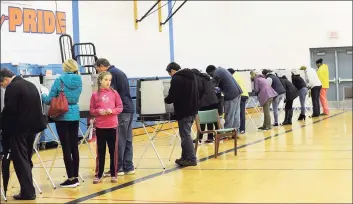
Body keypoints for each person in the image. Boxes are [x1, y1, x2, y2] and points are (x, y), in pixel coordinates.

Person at [0, 68, 46, 200]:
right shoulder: (31, 84)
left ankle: (28, 192)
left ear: (6, 79)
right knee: (26, 159)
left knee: (21, 161)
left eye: (2, 84)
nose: (3, 87)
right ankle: (28, 189)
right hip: (32, 129)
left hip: (19, 129)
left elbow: (10, 110)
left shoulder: (12, 87)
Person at [42, 59, 82, 188]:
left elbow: (49, 100)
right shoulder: (79, 79)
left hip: (62, 116)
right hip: (75, 114)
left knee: (66, 148)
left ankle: (70, 178)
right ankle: (75, 176)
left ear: (65, 68)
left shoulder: (59, 80)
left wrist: (41, 95)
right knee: (74, 147)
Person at [94, 58, 135, 176]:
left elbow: (110, 94)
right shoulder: (120, 72)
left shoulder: (111, 75)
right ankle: (128, 166)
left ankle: (118, 167)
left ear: (102, 66)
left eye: (98, 70)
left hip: (121, 111)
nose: (99, 73)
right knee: (127, 139)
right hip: (129, 108)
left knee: (119, 140)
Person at [90, 71, 123, 184]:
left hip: (112, 125)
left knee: (113, 150)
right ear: (100, 80)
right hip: (100, 126)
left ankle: (114, 173)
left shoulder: (114, 93)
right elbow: (92, 110)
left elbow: (120, 107)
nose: (108, 82)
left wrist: (112, 111)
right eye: (106, 80)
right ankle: (99, 174)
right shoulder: (95, 95)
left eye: (109, 80)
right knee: (100, 151)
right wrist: (99, 111)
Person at [165, 62, 198, 167]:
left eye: (170, 74)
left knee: (185, 135)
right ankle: (185, 157)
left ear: (172, 71)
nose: (171, 76)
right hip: (193, 110)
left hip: (184, 111)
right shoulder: (191, 76)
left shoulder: (177, 78)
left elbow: (172, 96)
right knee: (185, 134)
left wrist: (166, 100)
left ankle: (191, 158)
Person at [206, 65, 243, 131]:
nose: (211, 76)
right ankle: (235, 131)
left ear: (211, 71)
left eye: (210, 74)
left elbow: (215, 86)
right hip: (237, 93)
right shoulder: (222, 69)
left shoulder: (216, 73)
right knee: (236, 114)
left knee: (229, 115)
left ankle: (227, 132)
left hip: (231, 95)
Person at [191, 69, 219, 144]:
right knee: (212, 120)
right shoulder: (205, 77)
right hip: (213, 100)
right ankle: (214, 137)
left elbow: (199, 90)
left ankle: (201, 138)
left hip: (205, 101)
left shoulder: (197, 79)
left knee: (203, 120)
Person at [227, 68, 249, 134]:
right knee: (241, 113)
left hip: (239, 95)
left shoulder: (233, 76)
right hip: (245, 94)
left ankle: (237, 129)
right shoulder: (239, 75)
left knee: (236, 113)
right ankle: (242, 129)